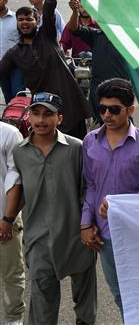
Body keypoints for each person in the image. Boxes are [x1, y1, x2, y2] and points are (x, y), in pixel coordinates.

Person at [1, 92, 96, 325]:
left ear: (60, 118)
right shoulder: (20, 153)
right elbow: (19, 190)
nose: (41, 120)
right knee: (42, 303)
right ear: (29, 116)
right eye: (36, 113)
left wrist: (88, 225)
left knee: (84, 304)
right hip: (39, 239)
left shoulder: (76, 148)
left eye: (48, 114)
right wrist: (8, 219)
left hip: (77, 236)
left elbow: (89, 189)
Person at [81, 79, 139, 316]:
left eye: (114, 109)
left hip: (138, 233)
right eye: (102, 108)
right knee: (120, 294)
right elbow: (91, 186)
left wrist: (120, 207)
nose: (106, 114)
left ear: (130, 110)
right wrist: (86, 222)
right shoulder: (90, 142)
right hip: (105, 234)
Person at [0, 0, 91, 139]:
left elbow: (49, 12)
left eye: (29, 19)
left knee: (77, 150)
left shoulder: (46, 36)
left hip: (70, 102)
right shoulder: (14, 53)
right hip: (44, 110)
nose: (25, 23)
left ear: (37, 22)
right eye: (21, 20)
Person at [0, 122, 25, 325]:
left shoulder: (8, 134)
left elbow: (16, 177)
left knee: (11, 274)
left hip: (3, 219)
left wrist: (8, 219)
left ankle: (13, 319)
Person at [0, 0, 24, 103]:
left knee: (18, 94)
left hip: (17, 65)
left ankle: (21, 119)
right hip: (0, 66)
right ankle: (11, 120)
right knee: (8, 96)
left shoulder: (16, 18)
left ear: (5, 0)